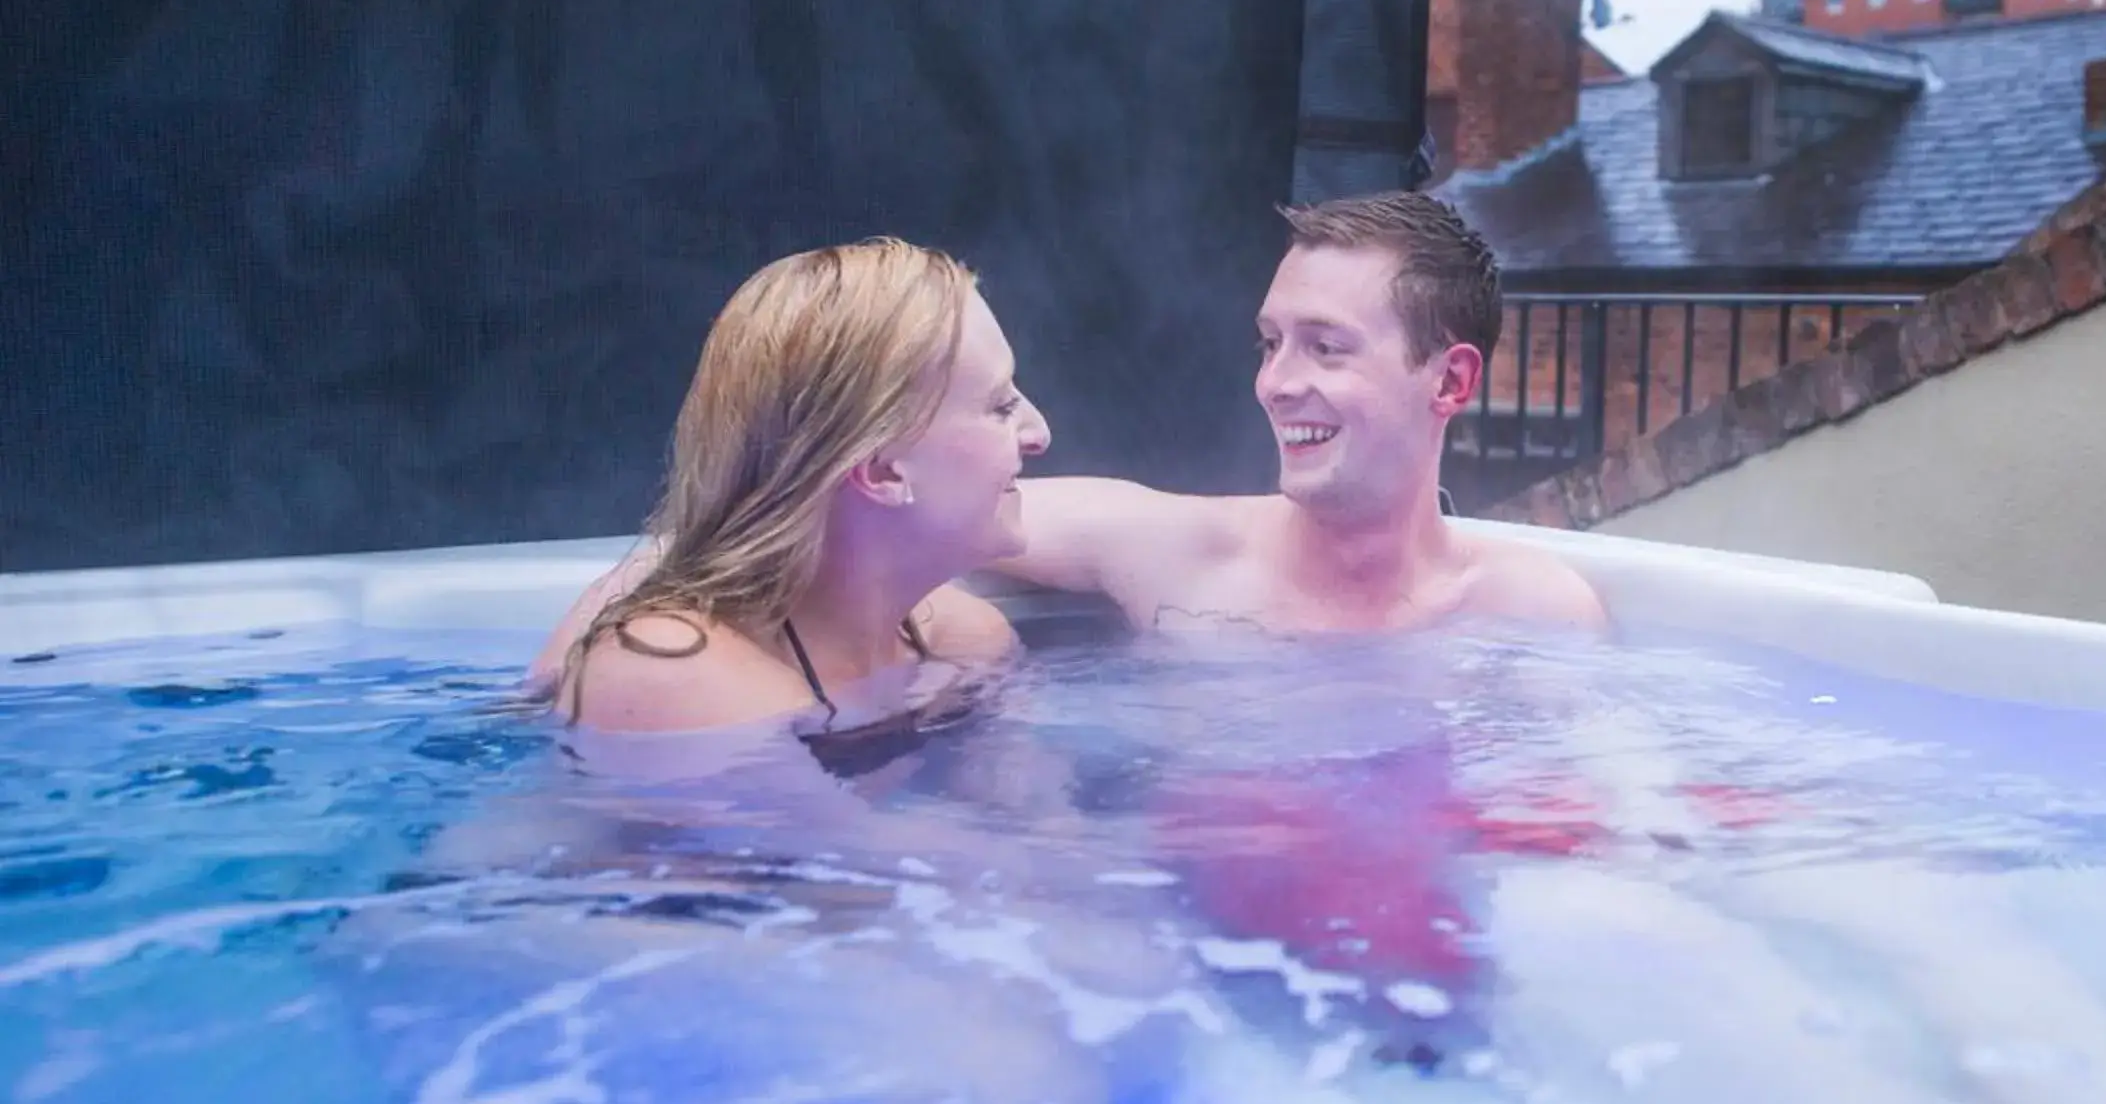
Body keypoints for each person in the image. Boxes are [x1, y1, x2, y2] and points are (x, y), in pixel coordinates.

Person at [999, 192, 1607, 635]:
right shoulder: (1177, 561)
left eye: (1326, 347)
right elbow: (928, 520)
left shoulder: (1532, 616)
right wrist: (958, 632)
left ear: (1450, 381)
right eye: (1271, 344)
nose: (1275, 383)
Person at [530, 237, 1045, 737]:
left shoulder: (965, 643)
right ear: (881, 471)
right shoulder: (666, 670)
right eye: (1001, 407)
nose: (1039, 434)